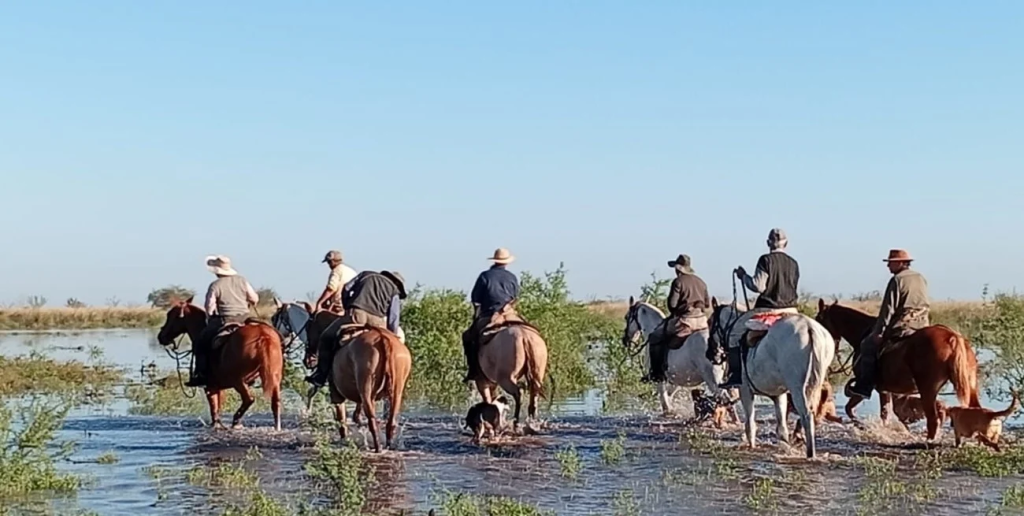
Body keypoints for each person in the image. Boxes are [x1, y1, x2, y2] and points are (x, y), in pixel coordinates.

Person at [719, 228, 800, 389]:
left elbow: (758, 286)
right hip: (792, 311)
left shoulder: (765, 260)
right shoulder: (793, 263)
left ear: (768, 243)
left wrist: (744, 276)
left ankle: (735, 375)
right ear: (786, 244)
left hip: (769, 309)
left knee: (733, 333)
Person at [847, 249, 930, 399]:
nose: (888, 267)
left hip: (903, 326)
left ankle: (865, 386)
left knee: (867, 345)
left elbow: (888, 309)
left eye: (891, 263)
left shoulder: (897, 280)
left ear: (900, 263)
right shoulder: (920, 278)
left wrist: (879, 331)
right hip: (923, 324)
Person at [304, 269, 407, 388]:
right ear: (397, 284)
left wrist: (347, 305)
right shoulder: (394, 291)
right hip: (377, 322)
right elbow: (394, 316)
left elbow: (346, 288)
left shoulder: (366, 274)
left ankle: (320, 376)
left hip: (357, 315)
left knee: (326, 337)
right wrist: (392, 335)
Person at [187, 255, 259, 387]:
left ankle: (201, 374)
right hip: (245, 317)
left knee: (201, 343)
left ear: (216, 271)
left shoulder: (215, 285)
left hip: (225, 319)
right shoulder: (242, 280)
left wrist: (209, 317)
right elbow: (254, 299)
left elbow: (209, 305)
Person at [642, 254, 711, 383]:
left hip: (685, 320)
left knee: (655, 337)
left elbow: (672, 305)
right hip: (702, 321)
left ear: (678, 269)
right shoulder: (701, 282)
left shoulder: (678, 282)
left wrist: (678, 310)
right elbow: (707, 304)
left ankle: (656, 373)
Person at [462, 248, 524, 383]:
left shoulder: (485, 276)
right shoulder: (512, 277)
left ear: (494, 261)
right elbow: (515, 297)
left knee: (468, 337)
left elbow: (476, 300)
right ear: (506, 262)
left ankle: (474, 371)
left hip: (489, 314)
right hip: (510, 314)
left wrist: (476, 316)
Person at [313, 250, 358, 314]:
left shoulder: (336, 271)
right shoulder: (352, 271)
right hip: (352, 305)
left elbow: (331, 289)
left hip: (340, 305)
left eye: (328, 262)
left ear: (332, 261)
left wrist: (320, 302)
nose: (329, 265)